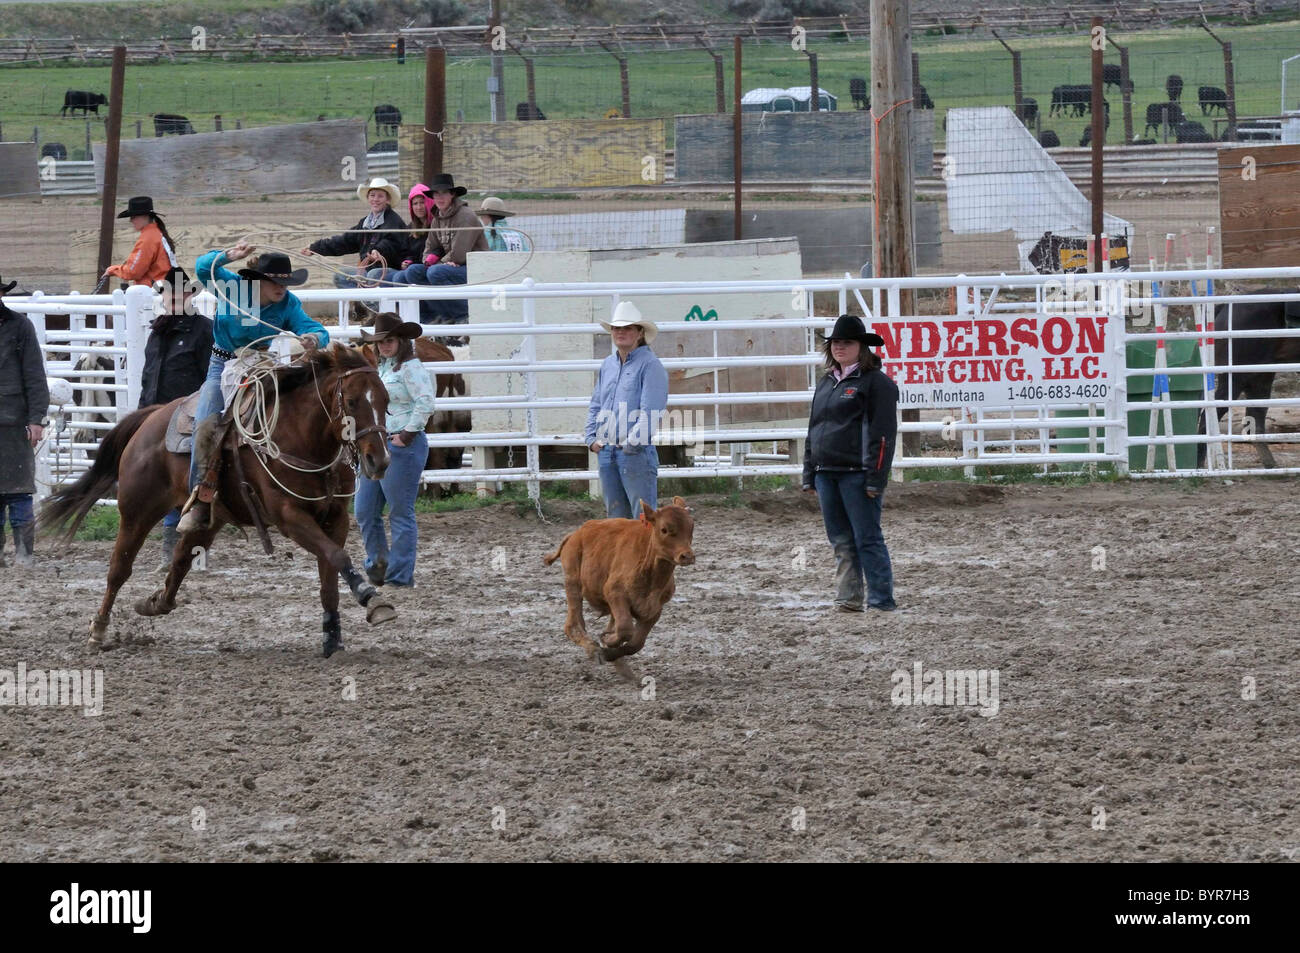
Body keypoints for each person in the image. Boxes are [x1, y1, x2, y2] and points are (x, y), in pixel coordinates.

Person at [177, 246, 329, 534]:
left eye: (286, 283)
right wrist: (227, 255)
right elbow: (201, 267)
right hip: (222, 366)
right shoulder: (233, 288)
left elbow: (315, 328)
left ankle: (287, 483)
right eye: (276, 282)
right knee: (205, 422)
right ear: (257, 280)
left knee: (291, 412)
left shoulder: (288, 304)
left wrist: (313, 338)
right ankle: (199, 496)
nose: (282, 289)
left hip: (261, 364)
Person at [801, 314, 898, 612]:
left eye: (847, 342)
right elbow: (814, 428)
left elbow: (883, 435)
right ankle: (849, 599)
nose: (839, 347)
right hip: (826, 473)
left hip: (857, 474)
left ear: (861, 347)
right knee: (841, 540)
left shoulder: (876, 384)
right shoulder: (827, 382)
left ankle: (881, 600)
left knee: (867, 538)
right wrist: (809, 472)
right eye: (835, 343)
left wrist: (875, 478)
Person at [354, 313, 436, 588]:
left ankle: (399, 576)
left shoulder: (411, 368)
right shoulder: (386, 369)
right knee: (365, 509)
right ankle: (379, 565)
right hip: (380, 442)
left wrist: (408, 433)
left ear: (401, 341)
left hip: (402, 443)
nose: (384, 346)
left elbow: (425, 402)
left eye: (389, 341)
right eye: (380, 342)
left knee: (399, 512)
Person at [140, 267, 214, 569]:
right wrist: (143, 415)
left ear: (189, 295)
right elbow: (149, 378)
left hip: (190, 419)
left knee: (188, 486)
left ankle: (190, 556)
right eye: (169, 292)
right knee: (168, 487)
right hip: (159, 418)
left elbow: (211, 378)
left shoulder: (203, 330)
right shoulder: (157, 332)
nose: (173, 297)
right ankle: (174, 555)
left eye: (179, 292)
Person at [585, 300, 669, 518]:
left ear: (639, 333)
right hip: (607, 449)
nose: (620, 332)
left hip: (634, 453)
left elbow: (650, 412)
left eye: (627, 328)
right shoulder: (607, 365)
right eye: (616, 328)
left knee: (641, 517)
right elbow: (596, 404)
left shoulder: (650, 365)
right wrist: (591, 439)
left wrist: (631, 444)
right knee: (616, 520)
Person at [0, 274, 50, 568]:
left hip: (14, 418)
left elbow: (34, 375)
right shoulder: (18, 326)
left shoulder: (20, 327)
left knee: (19, 491)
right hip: (14, 415)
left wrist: (36, 419)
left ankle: (24, 552)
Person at [404, 173, 487, 341]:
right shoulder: (438, 219)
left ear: (452, 194)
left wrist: (439, 263)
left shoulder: (466, 216)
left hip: (476, 269)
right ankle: (443, 315)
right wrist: (427, 261)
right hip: (453, 266)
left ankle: (465, 314)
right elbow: (430, 247)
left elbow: (459, 253)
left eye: (443, 193)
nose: (439, 197)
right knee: (413, 272)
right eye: (436, 194)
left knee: (435, 273)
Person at [302, 177, 406, 291]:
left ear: (387, 199)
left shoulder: (394, 221)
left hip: (390, 270)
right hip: (368, 271)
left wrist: (378, 250)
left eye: (380, 196)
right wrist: (315, 248)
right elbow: (344, 241)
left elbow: (391, 242)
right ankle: (362, 304)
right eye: (372, 195)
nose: (375, 199)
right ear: (368, 198)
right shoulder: (364, 223)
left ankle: (371, 307)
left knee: (373, 275)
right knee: (340, 276)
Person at [102, 196, 179, 288]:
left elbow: (133, 272)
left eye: (134, 217)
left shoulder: (148, 238)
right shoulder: (156, 232)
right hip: (163, 289)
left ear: (145, 216)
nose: (131, 220)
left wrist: (112, 270)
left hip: (152, 293)